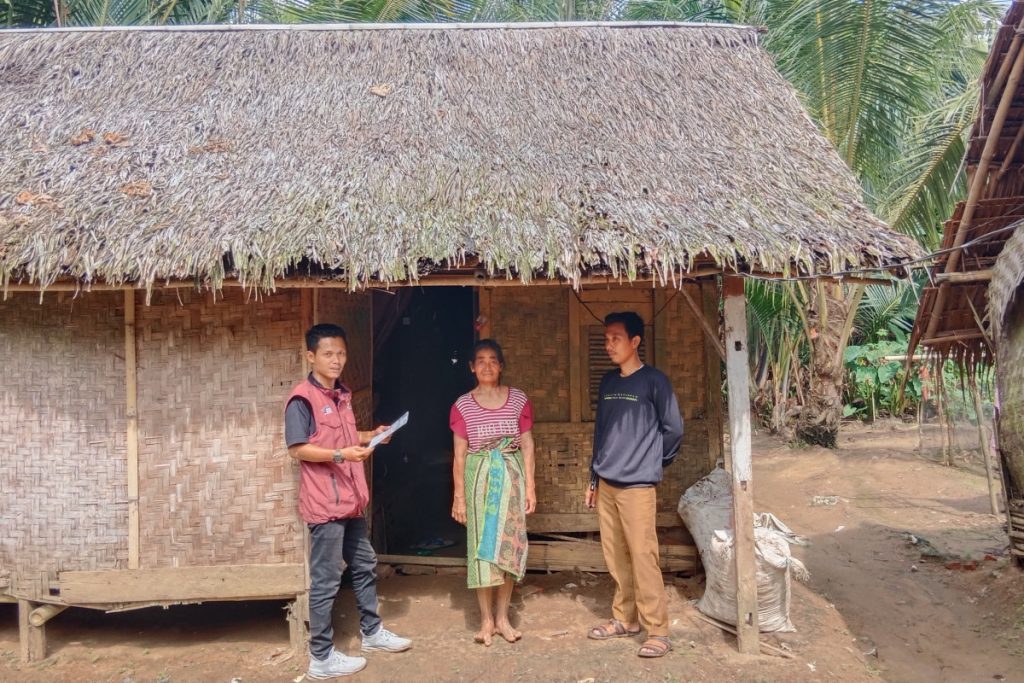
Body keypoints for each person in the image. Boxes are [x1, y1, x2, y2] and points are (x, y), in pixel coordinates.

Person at [285, 323, 412, 679]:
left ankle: (372, 633)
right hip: (325, 505)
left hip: (350, 500)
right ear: (311, 357)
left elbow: (341, 435)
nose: (336, 360)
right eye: (328, 354)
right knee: (326, 580)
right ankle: (321, 658)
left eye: (341, 353)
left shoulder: (341, 394)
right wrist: (341, 455)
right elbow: (298, 448)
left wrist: (371, 435)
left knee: (365, 564)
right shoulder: (302, 399)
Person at [585, 311, 684, 659]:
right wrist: (593, 477)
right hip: (607, 483)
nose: (608, 344)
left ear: (635, 341)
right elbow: (601, 431)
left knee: (643, 557)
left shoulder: (655, 381)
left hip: (638, 487)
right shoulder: (609, 382)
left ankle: (658, 630)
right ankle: (625, 619)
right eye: (606, 338)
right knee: (615, 556)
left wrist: (653, 462)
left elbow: (674, 429)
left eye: (615, 338)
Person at [449, 339, 537, 646]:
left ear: (501, 366)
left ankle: (503, 618)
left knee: (508, 546)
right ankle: (486, 620)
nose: (487, 366)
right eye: (480, 361)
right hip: (479, 480)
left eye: (493, 360)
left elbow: (527, 445)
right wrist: (459, 497)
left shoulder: (518, 399)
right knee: (481, 548)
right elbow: (459, 455)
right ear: (472, 367)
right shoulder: (462, 405)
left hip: (511, 478)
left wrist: (530, 486)